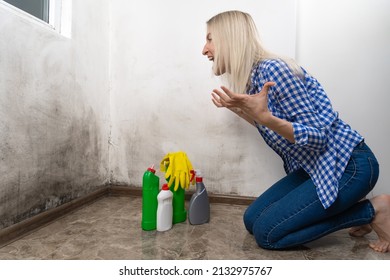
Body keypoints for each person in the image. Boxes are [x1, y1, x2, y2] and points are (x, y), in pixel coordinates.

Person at [202, 10, 390, 253]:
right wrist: (243, 111)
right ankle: (354, 206)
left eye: (209, 39)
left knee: (268, 235)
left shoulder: (274, 70)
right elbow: (274, 128)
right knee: (252, 220)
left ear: (229, 40)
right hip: (316, 166)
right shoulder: (253, 78)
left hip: (348, 166)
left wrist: (264, 117)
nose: (204, 49)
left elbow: (318, 138)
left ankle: (373, 211)